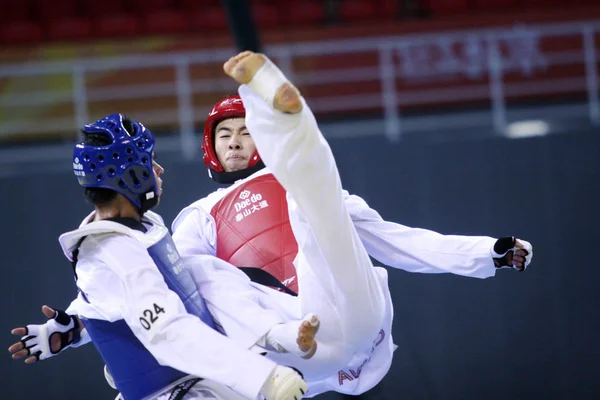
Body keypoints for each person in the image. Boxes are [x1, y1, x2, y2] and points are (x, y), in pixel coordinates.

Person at [168, 51, 534, 396]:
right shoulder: (200, 214)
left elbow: (393, 240)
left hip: (349, 311)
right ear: (209, 147)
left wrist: (487, 253)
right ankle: (283, 118)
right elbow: (183, 299)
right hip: (286, 350)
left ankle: (286, 118)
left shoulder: (296, 188)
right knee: (191, 269)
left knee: (315, 206)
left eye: (245, 132)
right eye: (224, 135)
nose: (234, 143)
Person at [8, 113, 309, 400]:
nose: (160, 169)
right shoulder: (112, 252)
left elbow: (113, 297)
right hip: (172, 390)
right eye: (150, 162)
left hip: (198, 380)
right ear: (133, 176)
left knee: (199, 269)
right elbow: (168, 331)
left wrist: (74, 326)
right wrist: (263, 377)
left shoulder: (141, 226)